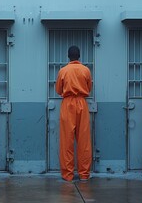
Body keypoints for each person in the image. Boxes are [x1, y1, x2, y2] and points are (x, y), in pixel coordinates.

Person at [55, 45, 93, 181]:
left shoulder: (63, 71)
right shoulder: (86, 70)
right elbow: (89, 88)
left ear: (68, 56)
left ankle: (68, 174)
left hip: (68, 103)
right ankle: (84, 174)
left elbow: (59, 90)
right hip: (82, 103)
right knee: (84, 140)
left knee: (67, 140)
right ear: (79, 56)